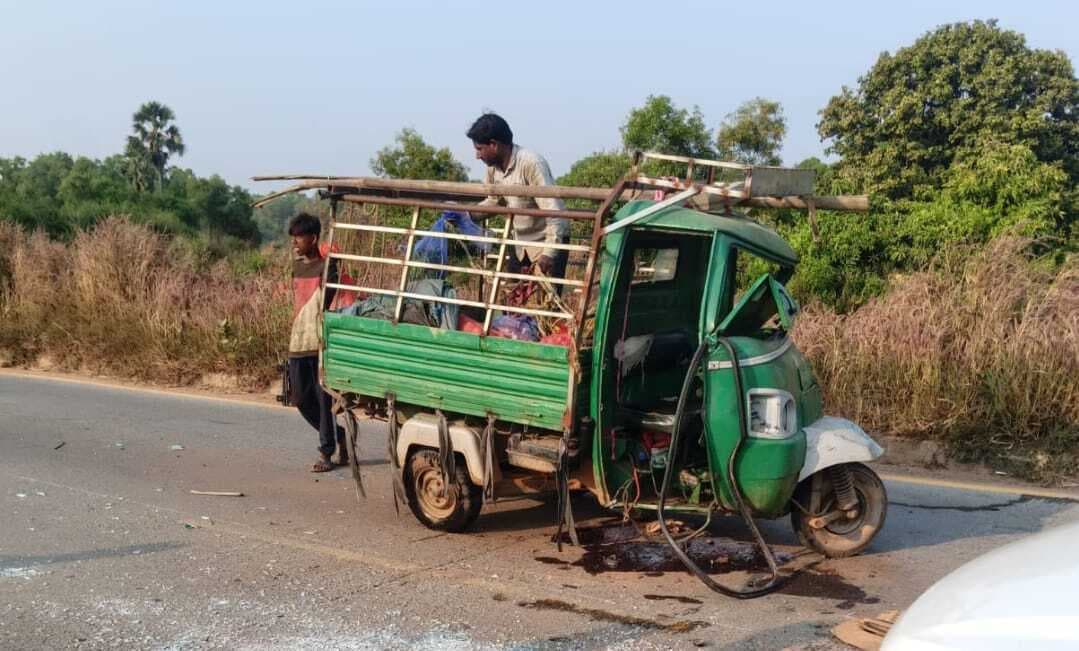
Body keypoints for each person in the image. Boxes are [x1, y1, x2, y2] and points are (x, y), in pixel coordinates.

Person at [467, 113, 569, 278]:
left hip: (546, 241)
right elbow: (494, 202)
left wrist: (549, 253)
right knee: (512, 298)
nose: (477, 156)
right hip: (520, 243)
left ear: (494, 145)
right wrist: (467, 214)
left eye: (479, 149)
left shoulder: (530, 163)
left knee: (546, 301)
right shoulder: (493, 168)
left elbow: (554, 210)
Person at [287, 212, 347, 473]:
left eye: (298, 238)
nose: (294, 243)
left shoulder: (328, 267)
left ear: (312, 239)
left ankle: (326, 451)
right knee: (300, 398)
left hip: (319, 341)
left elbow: (327, 300)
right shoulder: (297, 267)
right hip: (297, 341)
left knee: (323, 400)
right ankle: (336, 433)